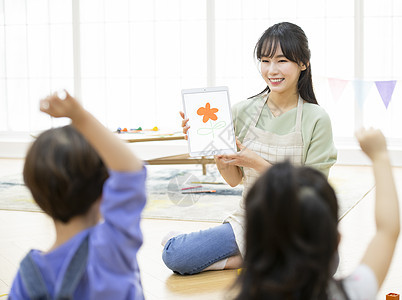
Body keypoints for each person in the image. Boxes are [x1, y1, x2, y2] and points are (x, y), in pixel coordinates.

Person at [162, 22, 337, 275]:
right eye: (265, 61)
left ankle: (251, 258)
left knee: (328, 264)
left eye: (282, 60)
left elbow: (314, 194)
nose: (272, 70)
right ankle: (266, 257)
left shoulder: (317, 119)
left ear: (303, 63)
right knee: (176, 255)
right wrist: (213, 146)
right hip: (252, 221)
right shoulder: (242, 111)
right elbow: (233, 180)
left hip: (300, 223)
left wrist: (256, 163)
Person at [8, 91, 146, 299]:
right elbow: (131, 172)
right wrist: (80, 116)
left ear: (38, 196)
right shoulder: (110, 247)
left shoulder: (28, 275)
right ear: (104, 193)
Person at [233, 128, 400, 299]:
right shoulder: (351, 293)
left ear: (248, 242)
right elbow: (387, 231)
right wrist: (380, 156)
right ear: (336, 241)